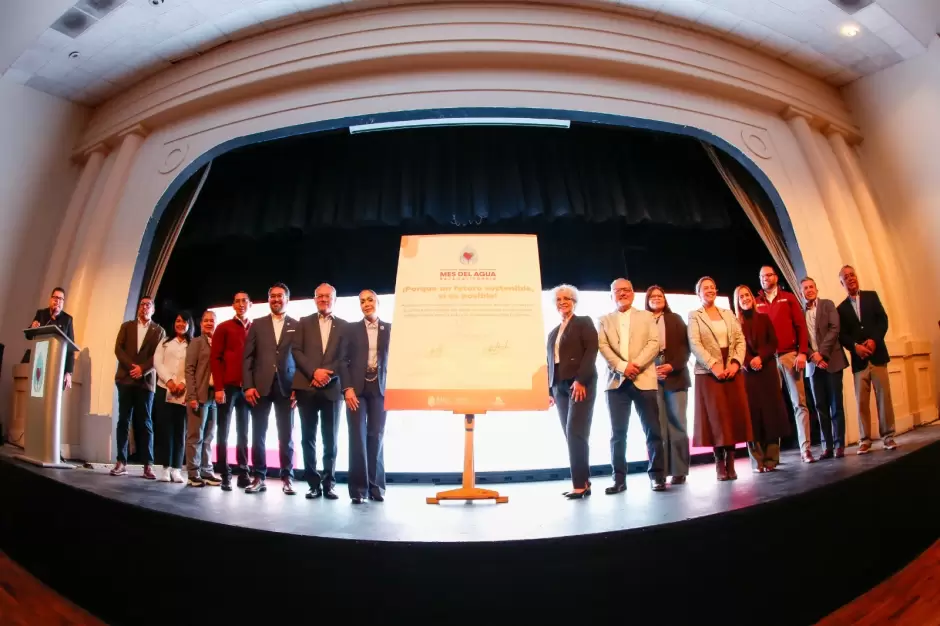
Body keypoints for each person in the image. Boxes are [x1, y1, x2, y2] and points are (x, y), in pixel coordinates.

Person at [598, 279, 664, 492]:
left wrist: (635, 365)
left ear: (633, 293)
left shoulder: (646, 316)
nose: (622, 294)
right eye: (617, 291)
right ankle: (619, 480)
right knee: (618, 434)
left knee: (653, 430)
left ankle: (657, 476)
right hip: (616, 383)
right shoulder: (604, 320)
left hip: (643, 378)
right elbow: (603, 346)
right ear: (611, 295)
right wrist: (622, 366)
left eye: (626, 290)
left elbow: (654, 343)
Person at [688, 277, 752, 481]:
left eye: (712, 287)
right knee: (717, 418)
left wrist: (735, 362)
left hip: (731, 368)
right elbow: (695, 344)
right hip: (709, 373)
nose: (709, 290)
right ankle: (719, 464)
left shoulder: (728, 313)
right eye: (704, 288)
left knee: (731, 416)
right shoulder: (694, 316)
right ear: (698, 294)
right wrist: (713, 366)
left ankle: (731, 463)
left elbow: (740, 339)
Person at [292, 283, 347, 500]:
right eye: (319, 296)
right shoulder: (303, 323)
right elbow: (296, 351)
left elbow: (344, 356)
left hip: (332, 388)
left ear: (335, 299)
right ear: (315, 299)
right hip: (307, 386)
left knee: (331, 438)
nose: (323, 299)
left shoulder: (344, 326)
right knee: (308, 438)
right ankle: (313, 484)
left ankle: (329, 483)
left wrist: (327, 374)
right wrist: (314, 372)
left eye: (328, 296)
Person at [755, 266, 814, 463]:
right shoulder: (756, 302)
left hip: (790, 356)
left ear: (775, 277)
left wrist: (803, 352)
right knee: (772, 407)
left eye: (768, 275)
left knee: (799, 403)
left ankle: (805, 449)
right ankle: (773, 456)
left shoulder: (788, 298)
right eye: (762, 276)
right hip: (768, 360)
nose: (765, 278)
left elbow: (801, 327)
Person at [243, 283, 298, 494]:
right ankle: (259, 476)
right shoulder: (257, 325)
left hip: (287, 387)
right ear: (269, 299)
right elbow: (248, 358)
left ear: (287, 299)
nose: (276, 299)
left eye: (280, 296)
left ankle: (287, 478)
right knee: (258, 435)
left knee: (287, 436)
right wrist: (248, 386)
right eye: (272, 296)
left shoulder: (296, 324)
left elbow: (300, 359)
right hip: (260, 387)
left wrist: (298, 388)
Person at [836, 265, 898, 453]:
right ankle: (865, 440)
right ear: (842, 283)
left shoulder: (871, 296)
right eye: (846, 277)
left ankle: (888, 437)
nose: (850, 279)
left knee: (883, 398)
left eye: (852, 275)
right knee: (861, 402)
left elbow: (883, 321)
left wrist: (874, 340)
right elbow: (842, 335)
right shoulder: (841, 309)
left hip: (878, 356)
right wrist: (855, 347)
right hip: (859, 361)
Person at [546, 284, 598, 500]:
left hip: (579, 384)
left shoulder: (584, 322)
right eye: (558, 299)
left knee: (576, 431)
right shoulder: (553, 332)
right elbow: (549, 362)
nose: (562, 302)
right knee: (571, 435)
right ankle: (584, 480)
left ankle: (579, 485)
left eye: (567, 298)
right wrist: (549, 389)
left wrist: (580, 380)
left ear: (574, 301)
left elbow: (591, 351)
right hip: (559, 386)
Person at [339, 290, 391, 504]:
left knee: (376, 437)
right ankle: (358, 490)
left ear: (378, 302)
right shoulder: (351, 329)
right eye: (362, 301)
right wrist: (347, 388)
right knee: (357, 438)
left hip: (380, 389)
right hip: (356, 391)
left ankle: (376, 487)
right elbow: (341, 361)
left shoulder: (389, 329)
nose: (366, 304)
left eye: (370, 300)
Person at [734, 285, 791, 473]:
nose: (745, 298)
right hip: (748, 375)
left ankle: (771, 459)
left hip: (767, 372)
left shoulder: (764, 318)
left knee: (771, 415)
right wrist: (749, 361)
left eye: (747, 295)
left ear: (752, 297)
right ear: (737, 301)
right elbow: (736, 349)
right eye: (741, 296)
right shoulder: (735, 324)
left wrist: (760, 358)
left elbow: (773, 342)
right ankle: (757, 460)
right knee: (753, 418)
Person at [111, 296, 166, 479]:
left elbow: (158, 355)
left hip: (145, 382)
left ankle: (148, 465)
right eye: (142, 304)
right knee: (123, 421)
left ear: (153, 309)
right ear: (138, 308)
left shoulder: (159, 330)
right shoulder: (126, 326)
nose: (144, 307)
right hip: (125, 379)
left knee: (145, 423)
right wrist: (132, 368)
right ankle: (121, 461)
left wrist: (142, 369)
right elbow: (118, 349)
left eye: (148, 305)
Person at [645, 286, 691, 485]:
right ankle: (660, 472)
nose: (656, 298)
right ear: (647, 300)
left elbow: (685, 347)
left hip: (675, 373)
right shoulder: (642, 321)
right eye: (652, 296)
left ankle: (679, 470)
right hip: (649, 374)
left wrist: (671, 366)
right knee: (657, 426)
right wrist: (649, 369)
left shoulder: (676, 319)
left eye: (660, 296)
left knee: (677, 423)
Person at [801, 277, 849, 459]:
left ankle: (839, 445)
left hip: (832, 361)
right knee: (820, 407)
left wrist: (822, 353)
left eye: (811, 286)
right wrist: (813, 356)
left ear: (816, 289)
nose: (809, 290)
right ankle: (826, 446)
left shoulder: (828, 305)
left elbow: (834, 329)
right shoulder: (800, 311)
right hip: (814, 366)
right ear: (801, 292)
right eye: (805, 288)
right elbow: (800, 339)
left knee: (836, 405)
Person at [210, 292, 253, 491]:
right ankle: (225, 473)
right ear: (233, 305)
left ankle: (243, 472)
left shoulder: (255, 328)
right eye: (237, 301)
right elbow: (215, 359)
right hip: (227, 387)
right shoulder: (223, 327)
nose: (241, 304)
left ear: (250, 304)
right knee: (223, 431)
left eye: (244, 301)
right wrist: (218, 387)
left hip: (248, 388)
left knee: (244, 432)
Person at [153, 312, 193, 483]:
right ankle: (165, 468)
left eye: (184, 321)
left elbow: (193, 365)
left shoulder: (193, 344)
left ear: (190, 324)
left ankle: (177, 468)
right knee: (165, 429)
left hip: (184, 392)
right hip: (164, 389)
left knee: (180, 430)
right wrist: (169, 381)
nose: (180, 324)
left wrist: (183, 383)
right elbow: (157, 362)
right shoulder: (164, 342)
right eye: (178, 320)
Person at [185, 310, 222, 487]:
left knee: (209, 435)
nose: (209, 323)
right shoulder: (196, 342)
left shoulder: (219, 343)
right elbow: (189, 370)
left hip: (214, 397)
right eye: (205, 320)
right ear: (201, 324)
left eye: (212, 321)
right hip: (199, 396)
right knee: (195, 436)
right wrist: (191, 395)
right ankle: (193, 473)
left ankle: (206, 471)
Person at [29, 287, 76, 390]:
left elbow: (71, 348)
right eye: (55, 297)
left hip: (57, 365)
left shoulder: (67, 319)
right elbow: (28, 335)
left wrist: (68, 372)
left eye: (60, 299)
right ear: (50, 299)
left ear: (63, 302)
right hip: (39, 362)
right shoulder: (41, 314)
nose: (57, 301)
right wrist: (33, 327)